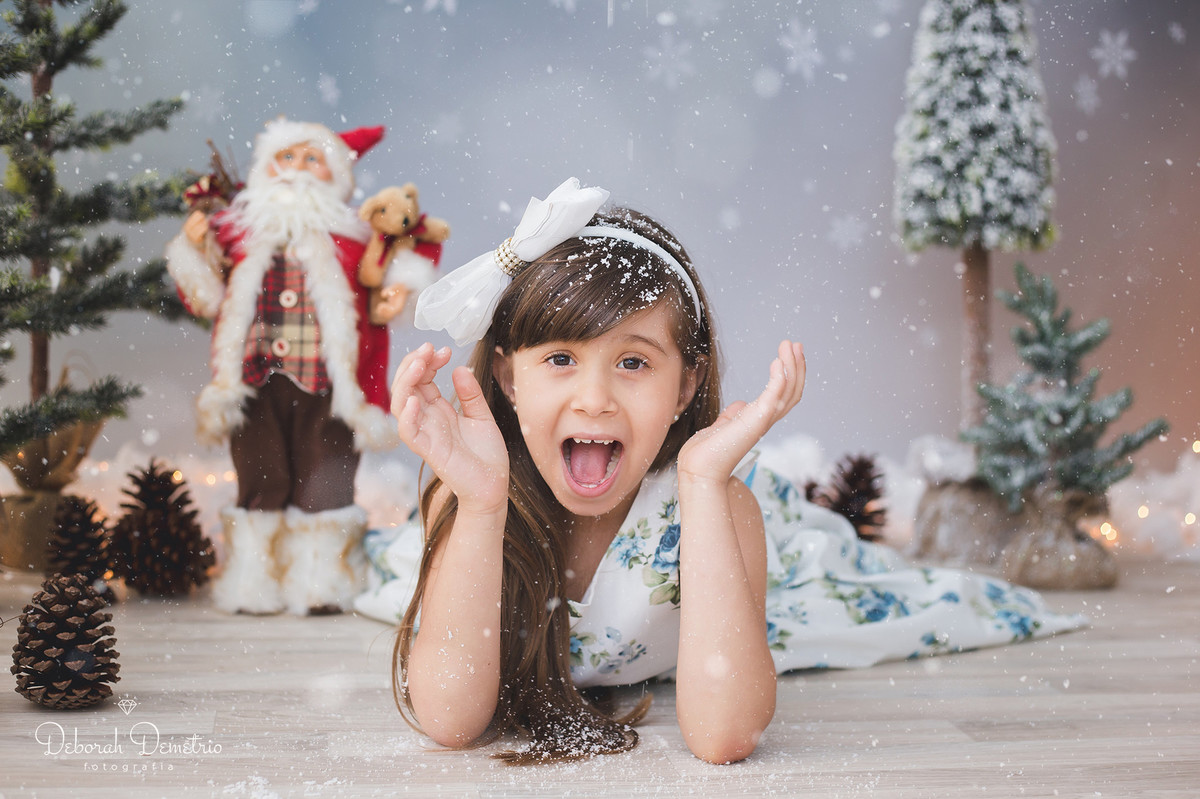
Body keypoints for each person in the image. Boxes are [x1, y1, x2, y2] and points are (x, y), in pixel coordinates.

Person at [363, 178, 1085, 764]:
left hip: (714, 504)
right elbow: (452, 720)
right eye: (559, 359)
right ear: (507, 378)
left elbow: (724, 735)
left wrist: (705, 487)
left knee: (824, 563)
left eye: (634, 361)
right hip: (490, 500)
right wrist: (484, 507)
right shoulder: (471, 495)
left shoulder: (718, 506)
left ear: (684, 386)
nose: (594, 397)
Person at [165, 118, 432, 616]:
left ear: (335, 175)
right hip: (253, 380)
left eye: (313, 159)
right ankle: (254, 580)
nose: (298, 170)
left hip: (329, 385)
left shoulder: (353, 235)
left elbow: (389, 279)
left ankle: (323, 581)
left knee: (326, 477)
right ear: (265, 167)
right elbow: (204, 295)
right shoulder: (236, 231)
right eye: (286, 158)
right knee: (259, 475)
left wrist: (402, 282)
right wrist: (194, 247)